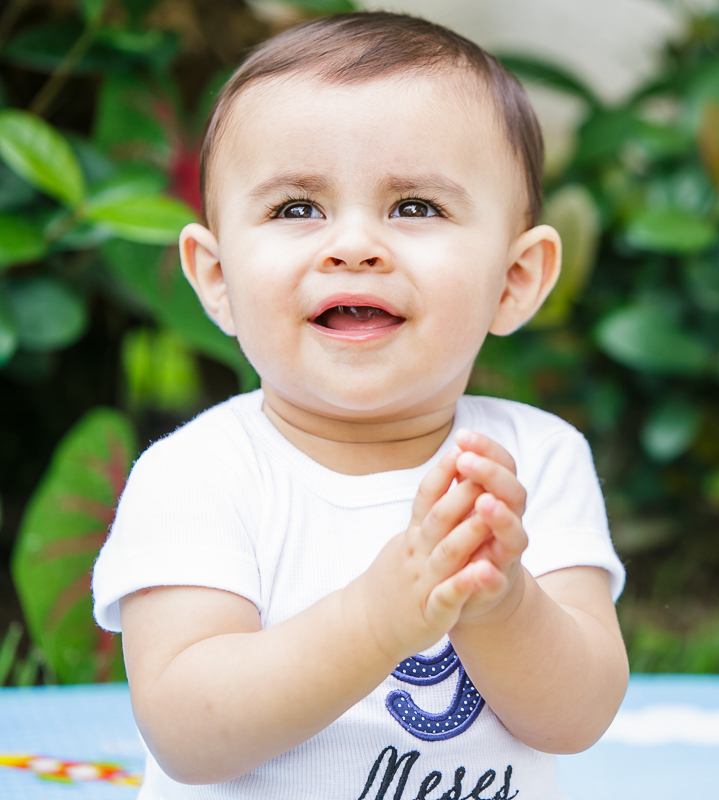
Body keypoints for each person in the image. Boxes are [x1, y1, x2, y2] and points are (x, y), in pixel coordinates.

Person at [91, 12, 629, 799]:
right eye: (296, 208)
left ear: (514, 281)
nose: (353, 245)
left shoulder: (534, 462)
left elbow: (577, 717)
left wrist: (505, 601)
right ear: (214, 278)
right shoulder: (198, 476)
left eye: (414, 206)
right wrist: (380, 618)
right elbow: (188, 733)